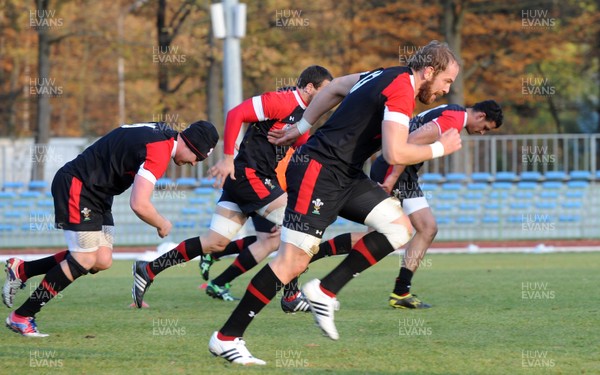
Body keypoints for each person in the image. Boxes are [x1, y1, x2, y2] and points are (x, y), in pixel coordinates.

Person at [208, 40, 463, 365]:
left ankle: (324, 291)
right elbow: (394, 153)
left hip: (343, 174)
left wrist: (301, 126)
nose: (446, 90)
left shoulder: (385, 74)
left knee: (399, 227)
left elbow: (338, 86)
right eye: (446, 81)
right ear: (429, 71)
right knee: (291, 262)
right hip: (320, 171)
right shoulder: (401, 89)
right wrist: (441, 148)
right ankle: (227, 337)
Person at [131, 66, 333, 307]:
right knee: (299, 224)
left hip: (246, 179)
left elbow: (299, 145)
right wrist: (227, 158)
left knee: (214, 243)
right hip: (250, 176)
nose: (330, 98)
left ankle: (149, 269)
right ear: (310, 87)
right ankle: (290, 296)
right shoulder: (283, 101)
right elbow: (235, 114)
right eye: (326, 91)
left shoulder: (305, 114)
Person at [280, 100, 504, 310]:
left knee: (417, 230)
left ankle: (399, 291)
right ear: (481, 115)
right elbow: (411, 140)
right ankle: (310, 262)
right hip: (396, 170)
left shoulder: (452, 110)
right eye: (485, 127)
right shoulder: (454, 119)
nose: (482, 132)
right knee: (395, 233)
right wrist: (390, 179)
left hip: (405, 173)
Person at [3, 120, 218, 337]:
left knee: (101, 260)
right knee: (84, 259)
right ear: (191, 145)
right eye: (197, 158)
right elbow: (139, 204)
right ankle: (22, 316)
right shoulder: (160, 151)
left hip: (98, 192)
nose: (193, 164)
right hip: (80, 185)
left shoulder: (161, 131)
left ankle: (23, 270)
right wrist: (162, 223)